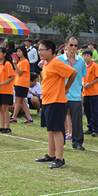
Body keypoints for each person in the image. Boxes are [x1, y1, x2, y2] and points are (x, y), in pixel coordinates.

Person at [34, 39, 77, 169]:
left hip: (56, 101)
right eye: (39, 50)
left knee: (57, 129)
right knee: (50, 129)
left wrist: (67, 88)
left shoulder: (56, 63)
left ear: (50, 51)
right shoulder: (46, 64)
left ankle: (59, 158)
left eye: (41, 50)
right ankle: (51, 155)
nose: (39, 52)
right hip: (47, 100)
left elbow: (73, 73)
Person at [57, 36, 87, 151]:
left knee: (77, 120)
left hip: (76, 95)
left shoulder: (81, 61)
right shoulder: (59, 59)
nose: (73, 47)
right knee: (60, 119)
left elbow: (82, 78)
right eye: (71, 45)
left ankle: (77, 142)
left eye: (76, 45)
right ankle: (60, 141)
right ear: (66, 46)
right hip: (61, 94)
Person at [0, 47, 15, 134]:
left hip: (6, 90)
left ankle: (8, 127)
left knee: (5, 108)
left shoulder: (8, 64)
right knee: (0, 108)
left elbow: (12, 78)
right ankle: (2, 126)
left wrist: (1, 84)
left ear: (4, 54)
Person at [82, 49, 98, 137]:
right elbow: (81, 77)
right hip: (85, 92)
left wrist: (90, 83)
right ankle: (90, 127)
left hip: (93, 92)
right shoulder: (82, 66)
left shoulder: (94, 66)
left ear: (91, 57)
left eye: (88, 55)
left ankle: (96, 129)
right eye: (84, 55)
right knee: (87, 111)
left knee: (94, 111)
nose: (86, 57)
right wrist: (83, 83)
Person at [11, 45, 34, 124]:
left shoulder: (24, 61)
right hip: (19, 83)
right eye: (17, 51)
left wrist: (15, 65)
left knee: (18, 100)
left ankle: (14, 117)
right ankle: (29, 118)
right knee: (22, 101)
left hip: (22, 83)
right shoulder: (20, 61)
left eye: (20, 51)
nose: (18, 53)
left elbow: (20, 73)